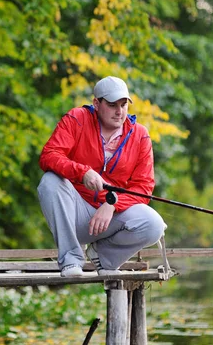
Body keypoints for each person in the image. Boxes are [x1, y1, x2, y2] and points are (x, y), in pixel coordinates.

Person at [38, 76, 166, 277]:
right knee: (50, 182)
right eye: (112, 104)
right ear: (96, 103)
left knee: (154, 224)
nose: (119, 111)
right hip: (75, 213)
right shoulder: (77, 119)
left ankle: (103, 256)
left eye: (124, 105)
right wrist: (82, 172)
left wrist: (113, 204)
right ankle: (71, 260)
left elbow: (144, 187)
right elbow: (49, 156)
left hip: (110, 218)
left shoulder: (140, 135)